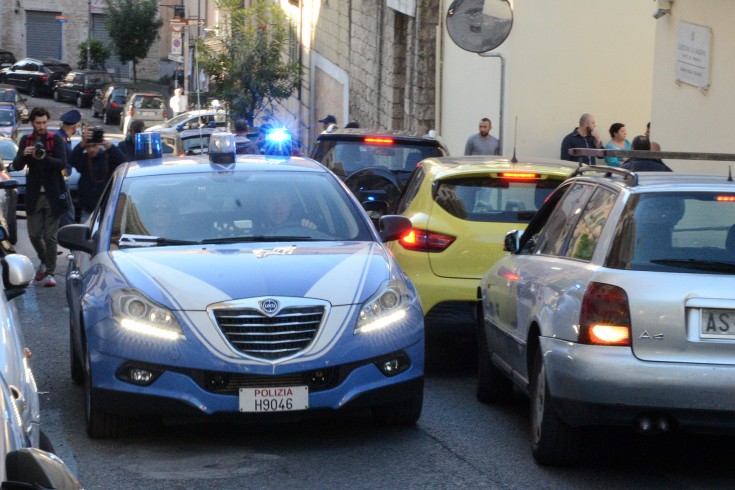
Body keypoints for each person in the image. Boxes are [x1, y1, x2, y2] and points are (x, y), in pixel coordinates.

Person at [12, 107, 69, 287]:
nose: (42, 126)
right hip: (34, 195)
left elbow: (62, 163)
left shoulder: (55, 140)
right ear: (32, 123)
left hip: (53, 194)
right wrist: (24, 154)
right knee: (34, 234)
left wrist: (45, 157)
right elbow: (16, 165)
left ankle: (50, 273)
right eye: (38, 123)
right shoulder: (25, 140)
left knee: (50, 237)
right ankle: (44, 261)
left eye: (44, 122)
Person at [69, 127, 127, 222]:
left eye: (94, 145)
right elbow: (72, 160)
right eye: (88, 146)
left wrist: (109, 146)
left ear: (99, 145)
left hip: (107, 207)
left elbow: (123, 162)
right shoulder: (84, 159)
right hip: (87, 209)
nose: (91, 150)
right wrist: (82, 144)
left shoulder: (108, 157)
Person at [56, 109, 81, 226]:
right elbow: (59, 161)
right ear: (75, 126)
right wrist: (63, 173)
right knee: (67, 212)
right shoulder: (60, 139)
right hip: (59, 181)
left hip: (60, 180)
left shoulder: (64, 137)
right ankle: (69, 235)